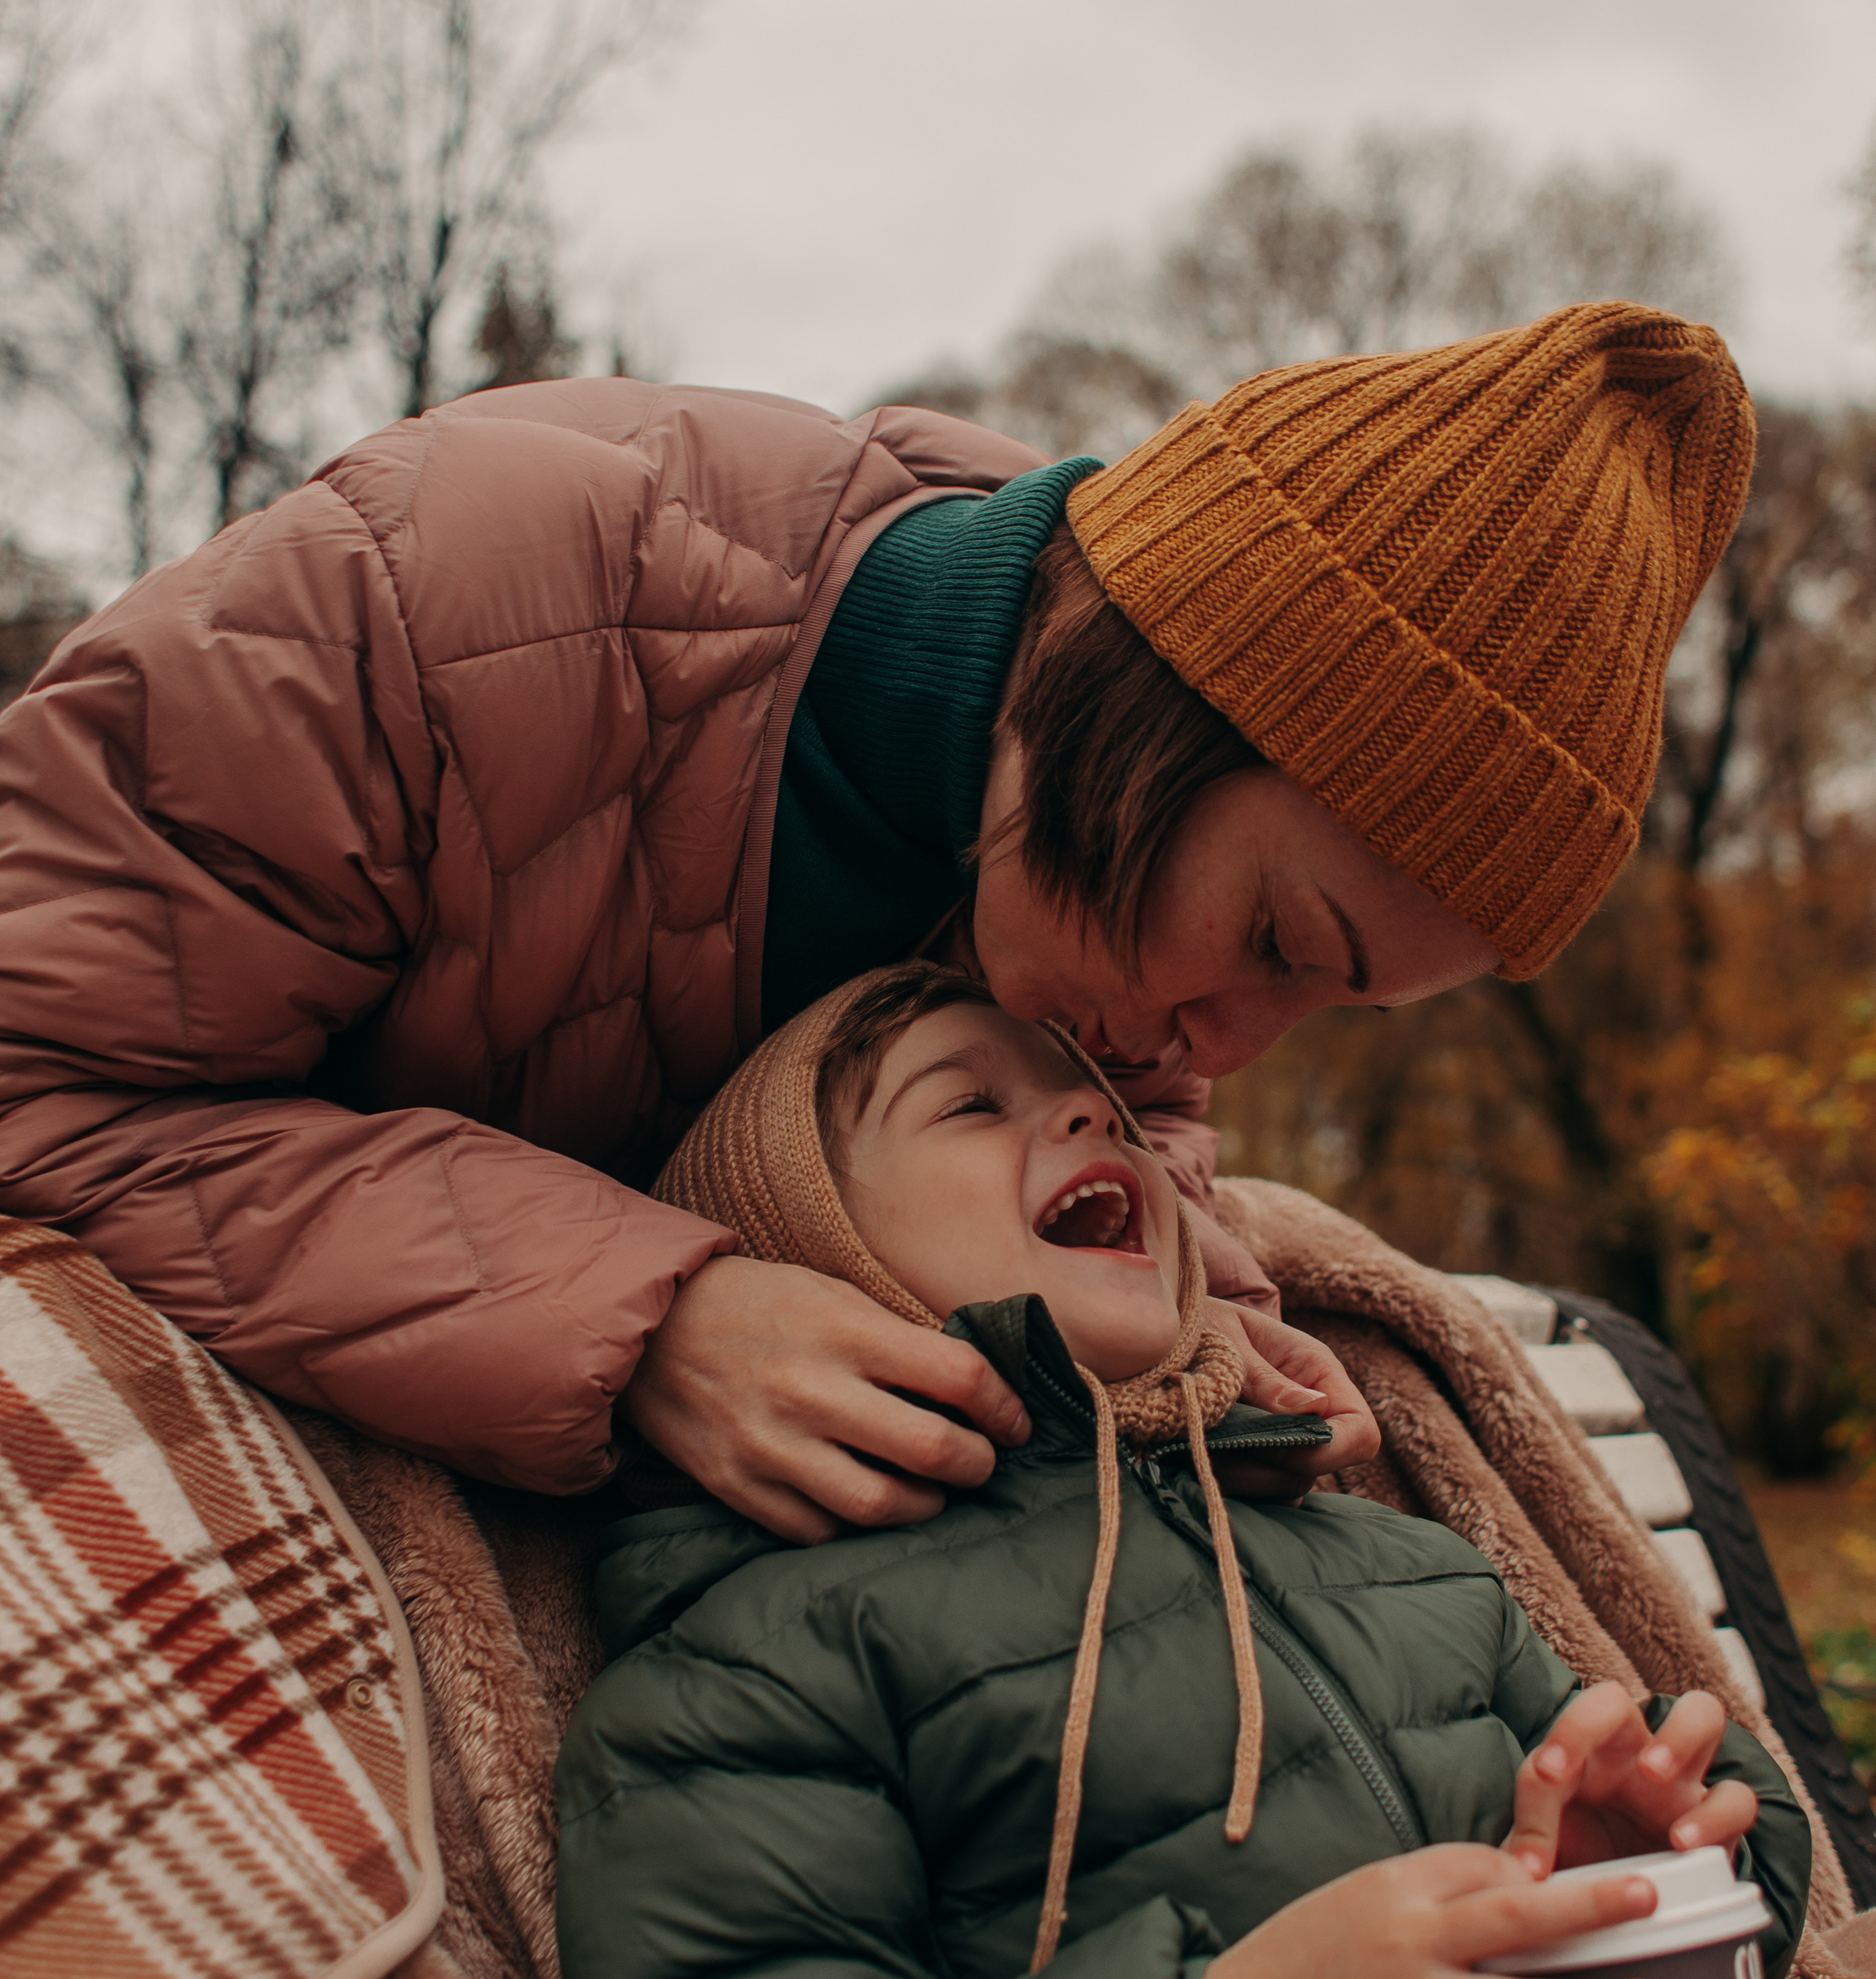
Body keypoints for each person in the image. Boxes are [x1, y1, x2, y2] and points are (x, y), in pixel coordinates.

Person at [0, 304, 1752, 1527]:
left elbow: (1138, 1110)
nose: (1222, 1055)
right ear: (1138, 693)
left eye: (1323, 1014)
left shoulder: (1081, 887)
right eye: (1282, 947)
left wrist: (1179, 1291)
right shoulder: (423, 604)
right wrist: (650, 1325)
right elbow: (40, 1077)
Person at [554, 961, 1875, 1979]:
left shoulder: (1389, 1562)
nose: (1074, 1109)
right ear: (807, 1259)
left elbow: (1728, 1882)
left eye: (1102, 1106)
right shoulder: (763, 1653)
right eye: (968, 1101)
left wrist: (1659, 1850)